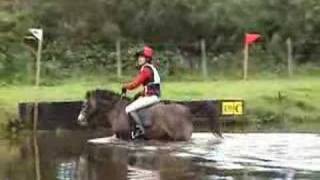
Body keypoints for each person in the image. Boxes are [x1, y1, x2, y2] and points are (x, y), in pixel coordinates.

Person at [121, 46, 161, 138]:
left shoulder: (146, 70)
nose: (139, 59)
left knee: (128, 109)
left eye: (141, 57)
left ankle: (140, 130)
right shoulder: (151, 68)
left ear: (147, 58)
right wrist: (140, 94)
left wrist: (125, 86)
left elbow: (135, 84)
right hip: (152, 96)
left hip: (151, 97)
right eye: (139, 57)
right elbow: (150, 86)